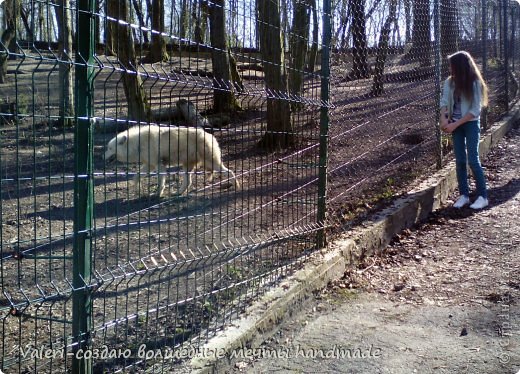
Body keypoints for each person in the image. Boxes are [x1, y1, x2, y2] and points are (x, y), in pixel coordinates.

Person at [440, 51, 489, 210]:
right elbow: (444, 101)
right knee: (460, 160)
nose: (450, 68)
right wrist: (444, 119)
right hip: (455, 124)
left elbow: (475, 111)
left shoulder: (475, 83)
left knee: (473, 159)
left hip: (470, 123)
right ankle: (464, 195)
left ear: (460, 66)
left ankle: (483, 196)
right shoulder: (449, 82)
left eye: (452, 65)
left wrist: (454, 124)